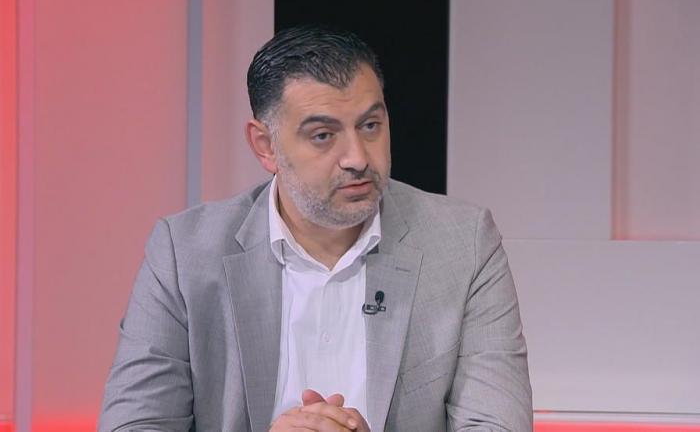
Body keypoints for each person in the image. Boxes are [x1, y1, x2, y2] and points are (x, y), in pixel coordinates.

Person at [99, 25, 532, 432]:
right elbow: (134, 424)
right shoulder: (185, 252)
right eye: (323, 135)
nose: (357, 158)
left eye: (370, 126)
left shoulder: (463, 243)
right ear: (265, 146)